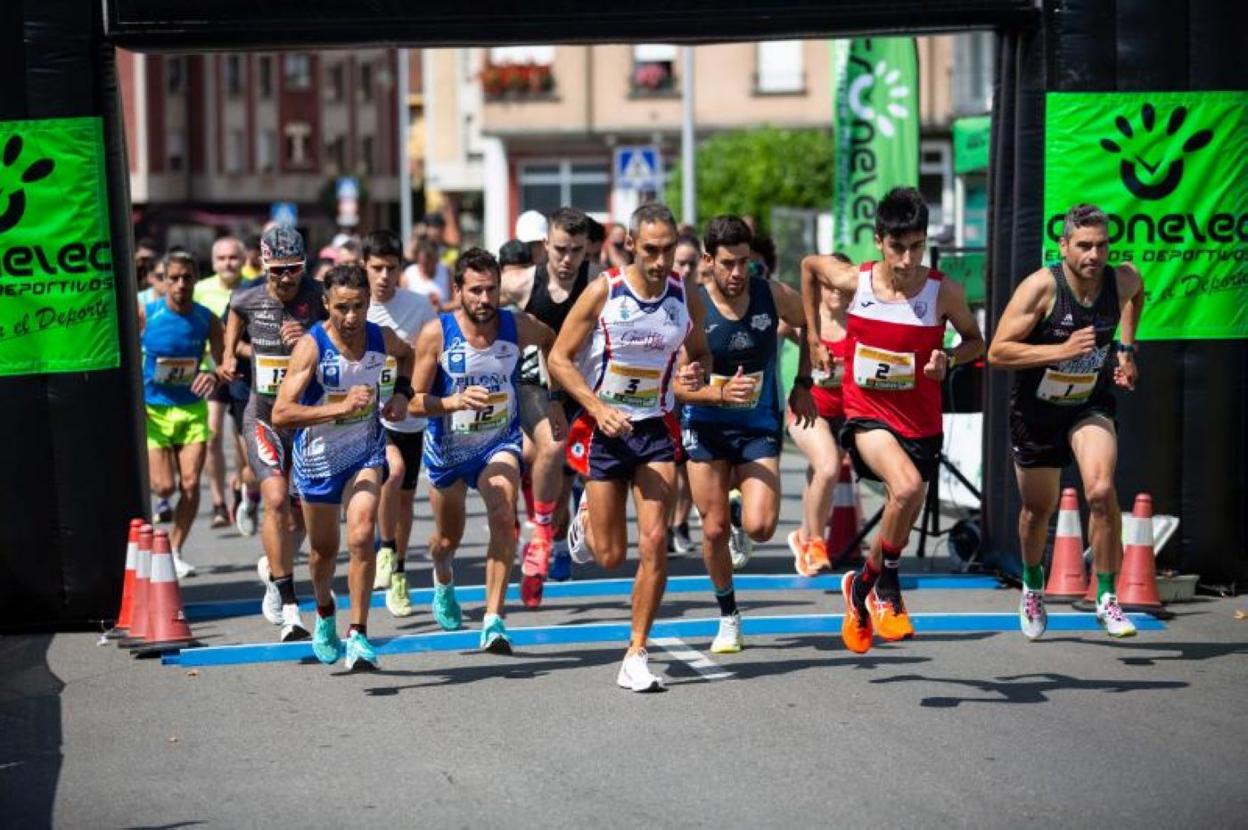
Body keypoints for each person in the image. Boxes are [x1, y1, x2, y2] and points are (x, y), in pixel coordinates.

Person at [802, 186, 984, 655]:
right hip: (866, 416)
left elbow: (975, 341)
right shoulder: (854, 281)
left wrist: (950, 358)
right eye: (898, 247)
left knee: (902, 512)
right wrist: (815, 342)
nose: (907, 259)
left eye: (917, 246)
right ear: (880, 241)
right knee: (903, 490)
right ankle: (888, 589)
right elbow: (808, 267)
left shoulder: (944, 291)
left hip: (921, 422)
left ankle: (860, 589)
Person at [548, 202, 710, 692]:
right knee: (611, 556)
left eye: (669, 251)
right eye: (653, 251)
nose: (662, 262)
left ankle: (636, 652)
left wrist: (696, 370)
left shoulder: (685, 295)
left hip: (656, 429)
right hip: (606, 430)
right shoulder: (604, 292)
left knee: (656, 541)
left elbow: (700, 352)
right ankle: (585, 522)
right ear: (632, 246)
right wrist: (595, 409)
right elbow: (559, 358)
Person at [987, 203, 1143, 639]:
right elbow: (998, 352)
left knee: (1101, 490)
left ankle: (1107, 597)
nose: (1095, 255)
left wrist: (1127, 350)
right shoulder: (1041, 288)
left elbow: (1137, 294)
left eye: (1103, 245)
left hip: (1088, 404)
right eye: (1085, 246)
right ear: (1064, 246)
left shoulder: (1121, 279)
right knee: (1038, 510)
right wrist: (1058, 351)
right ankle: (1033, 584)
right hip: (1036, 412)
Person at [409, 248, 560, 653]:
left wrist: (555, 396)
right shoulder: (436, 334)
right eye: (475, 290)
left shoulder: (519, 327)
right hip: (448, 452)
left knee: (503, 512)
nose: (484, 299)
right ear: (457, 290)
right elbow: (412, 402)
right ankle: (443, 574)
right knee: (446, 540)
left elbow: (556, 345)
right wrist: (452, 403)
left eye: (491, 289)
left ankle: (493, 619)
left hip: (498, 442)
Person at [678, 216, 815, 653]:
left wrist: (803, 383)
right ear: (707, 261)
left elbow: (809, 321)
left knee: (761, 527)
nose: (738, 273)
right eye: (728, 264)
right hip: (705, 425)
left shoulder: (770, 294)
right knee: (713, 530)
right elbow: (679, 385)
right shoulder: (693, 306)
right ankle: (728, 616)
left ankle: (743, 515)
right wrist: (717, 391)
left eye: (744, 262)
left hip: (757, 425)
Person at [272, 264, 415, 671]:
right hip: (317, 460)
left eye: (358, 307)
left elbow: (411, 354)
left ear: (369, 303)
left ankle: (359, 634)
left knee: (363, 532)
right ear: (325, 305)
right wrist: (340, 407)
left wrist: (402, 394)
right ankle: (323, 611)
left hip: (365, 451)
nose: (351, 318)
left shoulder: (379, 337)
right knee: (323, 552)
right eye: (341, 308)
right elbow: (282, 412)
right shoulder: (312, 347)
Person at [220, 225, 326, 643]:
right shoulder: (248, 295)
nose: (286, 278)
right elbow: (235, 312)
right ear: (263, 264)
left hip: (305, 419)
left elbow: (342, 340)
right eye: (278, 270)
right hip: (262, 416)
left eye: (294, 269)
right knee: (276, 501)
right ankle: (288, 603)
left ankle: (273, 567)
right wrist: (230, 353)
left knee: (302, 517)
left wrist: (310, 338)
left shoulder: (319, 296)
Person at [498, 207, 590, 608]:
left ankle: (557, 532)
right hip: (538, 382)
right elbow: (470, 303)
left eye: (576, 251)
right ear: (544, 248)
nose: (567, 260)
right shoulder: (520, 282)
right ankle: (540, 534)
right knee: (547, 450)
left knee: (573, 470)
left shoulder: (600, 283)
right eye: (560, 250)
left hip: (586, 385)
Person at [363, 230, 437, 617]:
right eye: (376, 268)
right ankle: (385, 549)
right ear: (365, 268)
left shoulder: (419, 306)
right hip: (366, 416)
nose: (384, 277)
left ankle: (399, 573)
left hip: (406, 415)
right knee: (393, 474)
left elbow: (431, 354)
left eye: (391, 268)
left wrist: (410, 394)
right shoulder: (355, 306)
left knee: (405, 497)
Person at [139, 251, 226, 578]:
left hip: (191, 409)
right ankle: (156, 531)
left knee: (190, 485)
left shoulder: (207, 318)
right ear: (162, 281)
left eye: (187, 277)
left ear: (195, 279)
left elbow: (223, 364)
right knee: (164, 488)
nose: (180, 284)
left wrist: (214, 375)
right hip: (154, 409)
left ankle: (174, 549)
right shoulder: (146, 314)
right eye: (172, 278)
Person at [786, 252, 853, 575]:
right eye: (829, 286)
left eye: (843, 287)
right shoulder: (808, 320)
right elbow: (770, 325)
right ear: (821, 287)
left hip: (846, 413)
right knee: (828, 467)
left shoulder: (860, 322)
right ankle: (814, 541)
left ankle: (802, 535)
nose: (837, 293)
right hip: (809, 412)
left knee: (820, 475)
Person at [196, 236, 248, 529]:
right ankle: (218, 502)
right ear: (214, 262)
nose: (228, 263)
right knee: (212, 435)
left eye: (233, 257)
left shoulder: (254, 286)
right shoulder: (201, 290)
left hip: (244, 373)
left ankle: (240, 483)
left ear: (242, 260)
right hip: (212, 372)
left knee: (243, 441)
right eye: (222, 258)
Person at [668, 232, 704, 557]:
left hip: (694, 393)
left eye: (692, 263)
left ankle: (680, 524)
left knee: (688, 464)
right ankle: (667, 523)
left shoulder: (703, 299)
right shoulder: (660, 297)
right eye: (680, 262)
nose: (686, 269)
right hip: (659, 394)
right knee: (667, 465)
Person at [402, 240, 452, 309]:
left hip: (444, 317)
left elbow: (458, 301)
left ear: (435, 259)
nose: (424, 266)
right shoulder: (408, 275)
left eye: (428, 262)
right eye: (422, 262)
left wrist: (441, 307)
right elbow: (403, 304)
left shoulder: (446, 271)